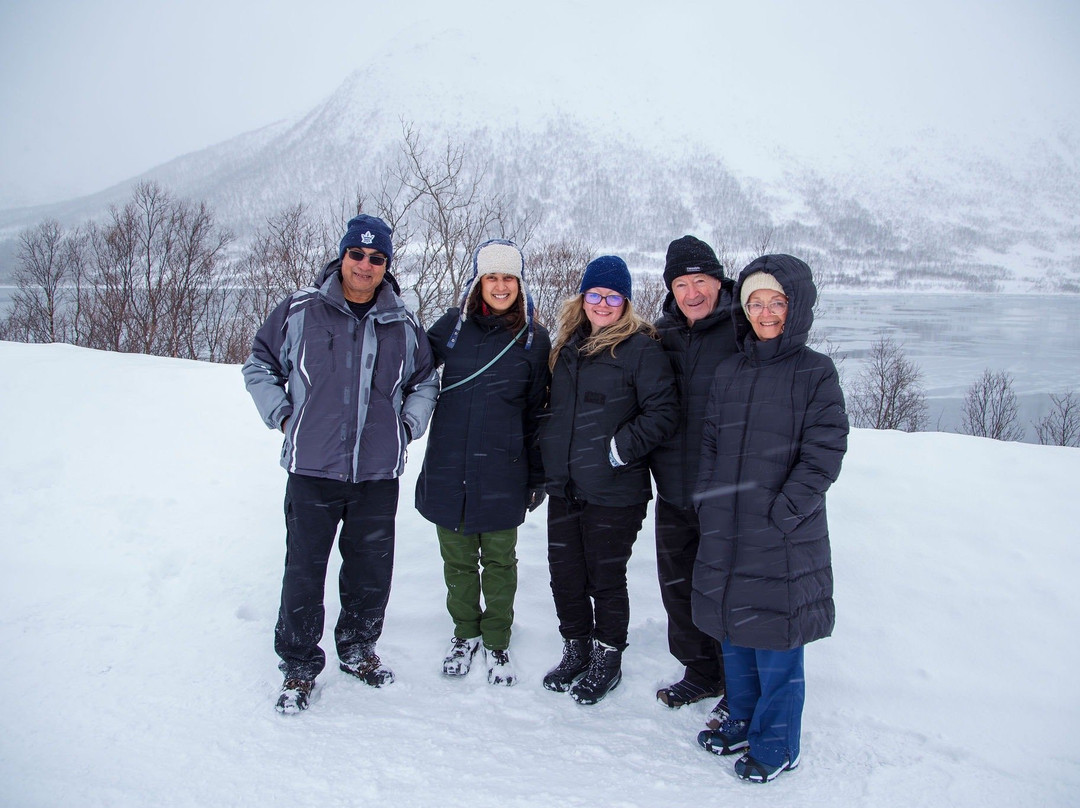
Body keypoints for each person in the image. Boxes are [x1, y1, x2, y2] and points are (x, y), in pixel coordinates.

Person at [242, 214, 439, 714]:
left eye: (376, 258)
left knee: (371, 570)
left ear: (386, 265)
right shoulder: (300, 311)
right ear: (342, 256)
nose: (365, 265)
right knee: (304, 570)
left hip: (376, 472)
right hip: (312, 467)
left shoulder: (403, 321)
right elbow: (260, 364)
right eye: (357, 254)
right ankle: (299, 664)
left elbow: (424, 382)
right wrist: (284, 417)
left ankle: (357, 649)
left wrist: (408, 426)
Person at [693, 254, 848, 782]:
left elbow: (824, 453)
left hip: (782, 534)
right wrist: (710, 500)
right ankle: (741, 717)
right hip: (728, 527)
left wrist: (783, 512)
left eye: (775, 302)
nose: (764, 312)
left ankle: (778, 743)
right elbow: (711, 442)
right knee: (735, 631)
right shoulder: (731, 369)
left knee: (777, 642)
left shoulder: (815, 372)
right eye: (755, 302)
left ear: (795, 307)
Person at [539, 255, 679, 705]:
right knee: (565, 575)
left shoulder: (641, 349)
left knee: (604, 577)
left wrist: (616, 450)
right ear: (583, 298)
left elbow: (664, 413)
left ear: (626, 302)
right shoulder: (567, 347)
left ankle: (607, 657)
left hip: (615, 490)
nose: (602, 303)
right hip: (565, 485)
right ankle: (576, 649)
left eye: (612, 296)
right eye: (595, 295)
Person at [415, 239, 551, 686]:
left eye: (508, 277)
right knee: (456, 562)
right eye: (491, 277)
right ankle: (464, 634)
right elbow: (409, 367)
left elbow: (537, 411)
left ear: (520, 284)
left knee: (499, 561)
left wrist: (536, 475)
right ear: (478, 282)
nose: (500, 285)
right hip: (450, 467)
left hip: (503, 470)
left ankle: (496, 640)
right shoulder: (452, 327)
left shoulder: (534, 338)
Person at [650, 235, 739, 712]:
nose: (692, 292)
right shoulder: (660, 335)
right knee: (678, 585)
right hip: (673, 488)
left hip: (727, 491)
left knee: (726, 587)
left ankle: (737, 678)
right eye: (681, 284)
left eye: (700, 281)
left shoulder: (740, 331)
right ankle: (700, 671)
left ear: (719, 282)